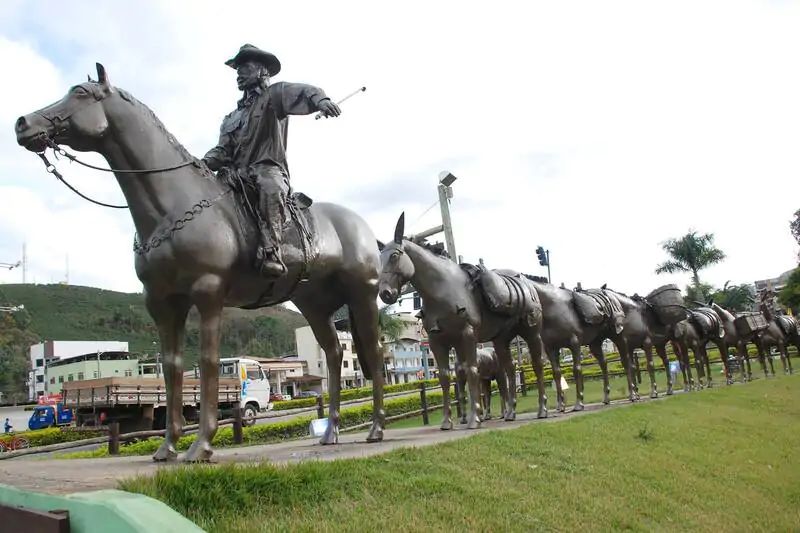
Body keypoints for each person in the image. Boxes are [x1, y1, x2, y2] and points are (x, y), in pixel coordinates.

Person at [202, 44, 341, 277]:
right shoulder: (231, 118)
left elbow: (305, 91)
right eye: (237, 70)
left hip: (266, 168)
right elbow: (222, 151)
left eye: (245, 67)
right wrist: (201, 163)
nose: (239, 73)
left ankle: (271, 251)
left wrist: (322, 100)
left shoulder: (274, 96)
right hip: (235, 174)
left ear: (262, 71)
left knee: (271, 186)